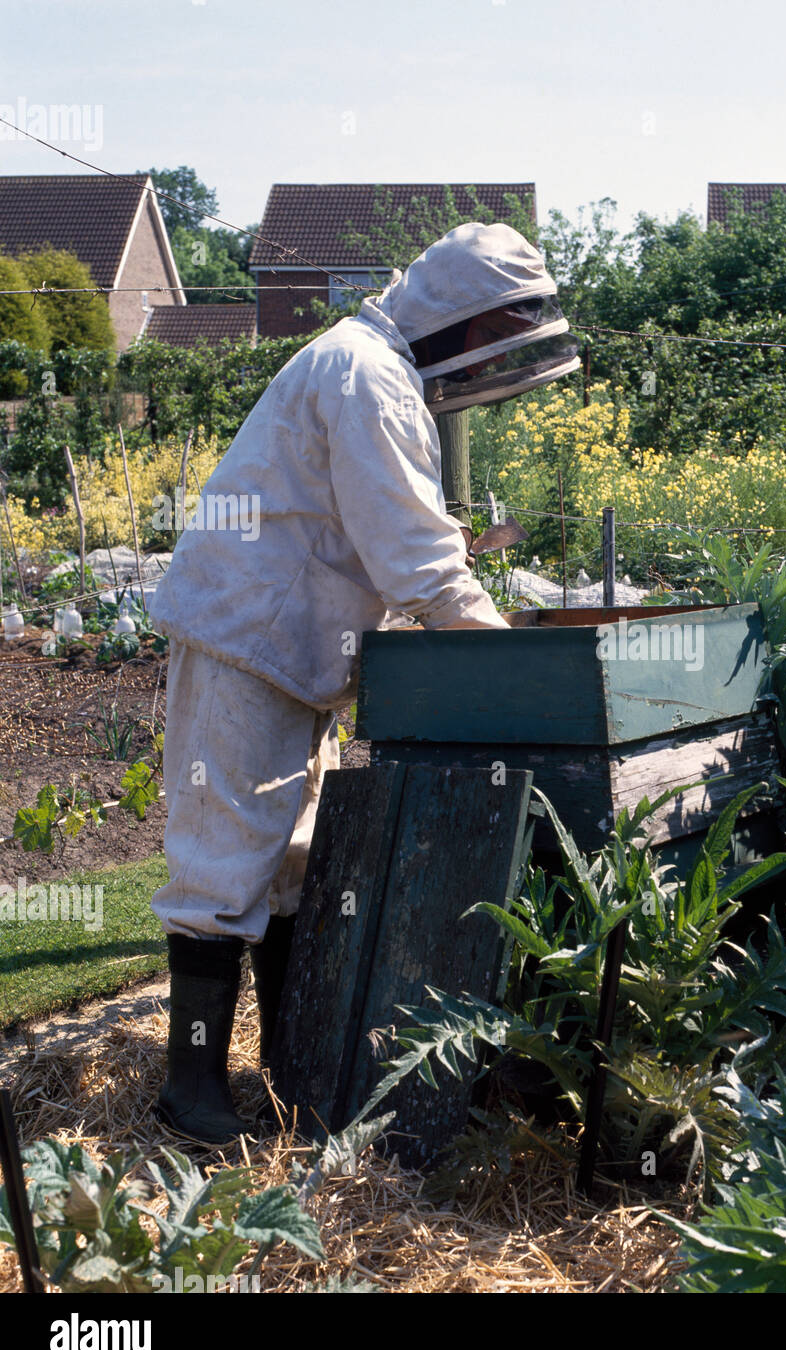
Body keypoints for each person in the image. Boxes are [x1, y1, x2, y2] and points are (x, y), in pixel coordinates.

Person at [147, 222, 580, 1144]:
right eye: (496, 337)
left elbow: (393, 544)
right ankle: (190, 1092)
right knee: (222, 869)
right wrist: (518, 669)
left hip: (285, 652)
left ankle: (283, 1068)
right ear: (471, 325)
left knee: (293, 870)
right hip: (245, 641)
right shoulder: (367, 377)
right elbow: (420, 568)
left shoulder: (374, 371)